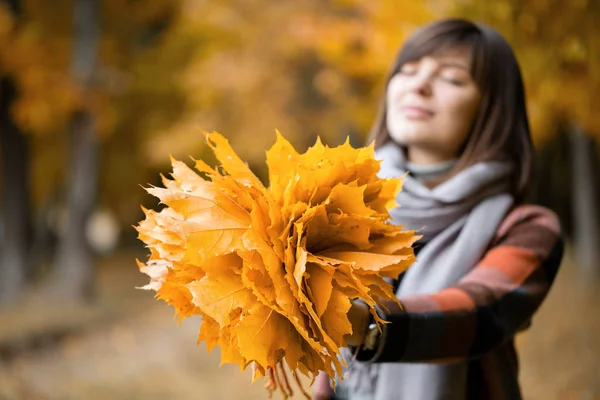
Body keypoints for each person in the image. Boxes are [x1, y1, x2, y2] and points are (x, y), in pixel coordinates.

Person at [313, 18, 564, 400]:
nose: (418, 85)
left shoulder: (526, 228)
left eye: (452, 78)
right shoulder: (346, 210)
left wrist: (365, 322)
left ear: (491, 108)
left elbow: (480, 314)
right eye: (408, 71)